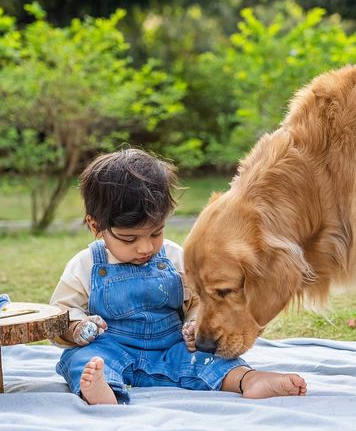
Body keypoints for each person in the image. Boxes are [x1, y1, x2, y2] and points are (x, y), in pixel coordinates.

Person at [50, 148, 307, 405]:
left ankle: (249, 380)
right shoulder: (86, 265)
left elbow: (198, 302)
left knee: (212, 358)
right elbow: (60, 312)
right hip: (111, 349)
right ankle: (103, 390)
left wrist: (194, 324)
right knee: (81, 360)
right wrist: (78, 328)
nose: (145, 248)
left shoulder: (174, 258)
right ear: (96, 226)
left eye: (155, 233)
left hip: (170, 350)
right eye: (129, 239)